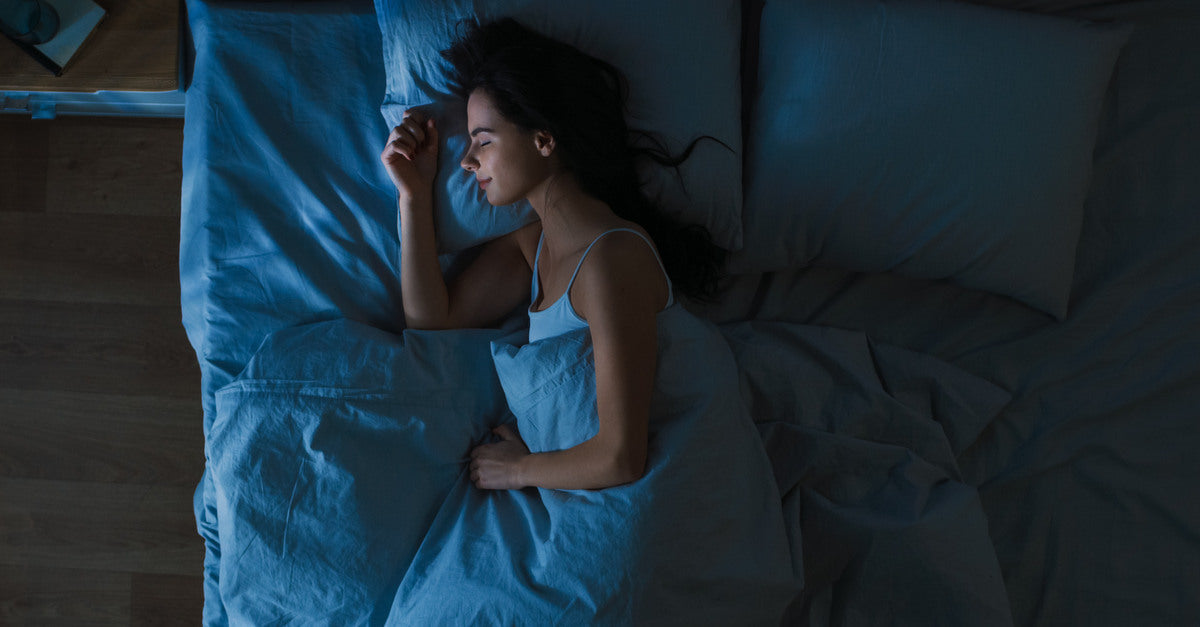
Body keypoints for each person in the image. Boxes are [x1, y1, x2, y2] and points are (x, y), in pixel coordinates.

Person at [379, 18, 725, 493]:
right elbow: (431, 321)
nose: (467, 160)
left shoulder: (611, 258)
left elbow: (622, 457)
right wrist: (413, 196)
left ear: (543, 140)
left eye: (484, 140)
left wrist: (517, 470)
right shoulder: (532, 244)